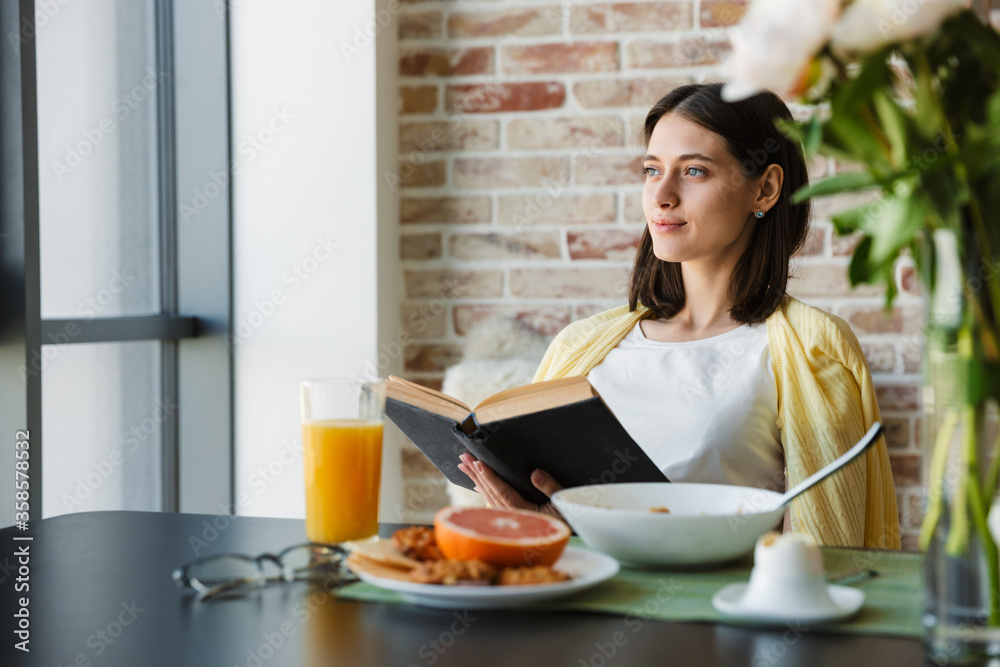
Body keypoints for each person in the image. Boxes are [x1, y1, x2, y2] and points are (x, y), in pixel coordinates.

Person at [458, 82, 900, 550]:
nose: (661, 195)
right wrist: (542, 526)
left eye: (693, 171)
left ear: (765, 189)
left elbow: (825, 550)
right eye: (652, 170)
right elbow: (546, 536)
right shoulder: (579, 346)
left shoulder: (811, 348)